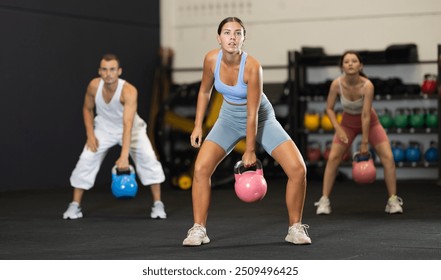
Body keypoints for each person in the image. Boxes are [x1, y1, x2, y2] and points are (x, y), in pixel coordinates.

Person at [182, 17, 311, 246]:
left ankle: (295, 228)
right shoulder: (211, 59)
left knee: (298, 169)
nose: (232, 37)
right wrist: (198, 125)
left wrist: (250, 150)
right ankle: (198, 229)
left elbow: (252, 114)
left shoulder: (252, 67)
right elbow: (204, 92)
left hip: (261, 119)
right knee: (201, 168)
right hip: (228, 119)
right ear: (218, 37)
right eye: (227, 32)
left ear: (244, 38)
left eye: (238, 33)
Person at [63, 54, 167, 220]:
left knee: (149, 159)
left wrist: (124, 155)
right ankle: (75, 205)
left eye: (112, 69)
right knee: (86, 159)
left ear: (119, 71)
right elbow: (87, 109)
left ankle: (158, 204)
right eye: (104, 69)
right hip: (104, 128)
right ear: (100, 71)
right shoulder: (93, 86)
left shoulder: (129, 91)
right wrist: (90, 134)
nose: (108, 73)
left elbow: (127, 124)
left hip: (132, 129)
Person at [314, 50, 404, 215]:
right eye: (346, 61)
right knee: (333, 158)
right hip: (347, 123)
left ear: (360, 65)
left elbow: (365, 115)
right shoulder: (336, 84)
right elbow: (329, 108)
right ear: (342, 66)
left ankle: (392, 200)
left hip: (371, 122)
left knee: (388, 157)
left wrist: (364, 142)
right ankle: (324, 200)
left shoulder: (367, 85)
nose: (350, 63)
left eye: (354, 61)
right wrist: (338, 128)